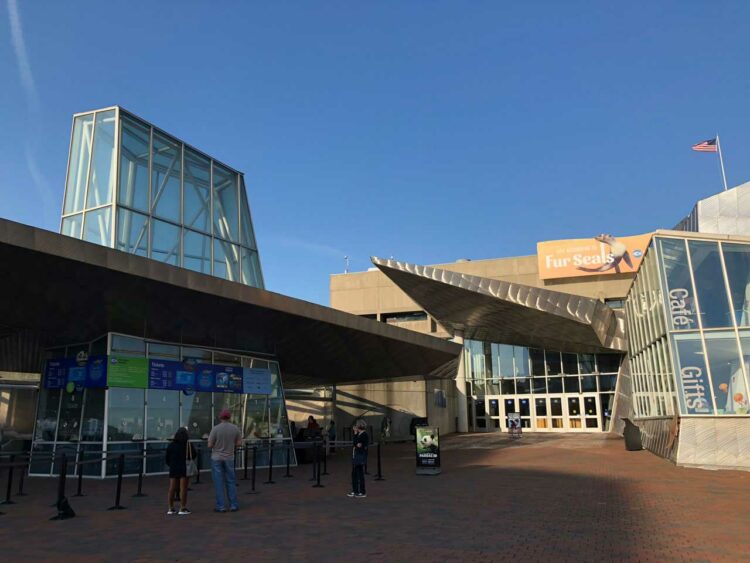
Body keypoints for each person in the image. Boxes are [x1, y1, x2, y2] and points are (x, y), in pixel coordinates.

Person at [208, 409, 242, 513]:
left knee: (218, 482)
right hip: (229, 457)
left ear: (220, 417)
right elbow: (239, 443)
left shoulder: (215, 429)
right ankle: (233, 505)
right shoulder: (235, 428)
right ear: (229, 417)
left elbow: (210, 445)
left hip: (217, 457)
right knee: (231, 481)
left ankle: (221, 506)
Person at [165, 427, 196, 515]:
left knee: (171, 488)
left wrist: (171, 464)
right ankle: (182, 507)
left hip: (173, 468)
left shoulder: (171, 445)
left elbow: (167, 458)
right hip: (184, 468)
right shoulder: (188, 445)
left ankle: (170, 508)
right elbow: (193, 455)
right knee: (183, 489)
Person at [348, 419, 369, 498]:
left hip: (360, 456)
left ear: (359, 426)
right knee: (354, 474)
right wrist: (355, 434)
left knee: (360, 474)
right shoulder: (358, 434)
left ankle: (362, 491)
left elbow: (358, 444)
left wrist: (357, 442)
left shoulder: (364, 435)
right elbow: (355, 443)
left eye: (357, 425)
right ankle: (355, 490)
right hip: (356, 455)